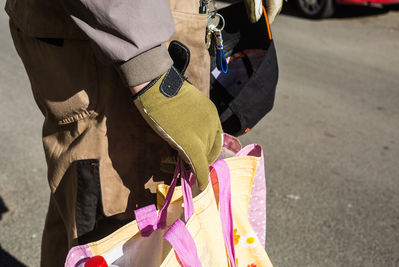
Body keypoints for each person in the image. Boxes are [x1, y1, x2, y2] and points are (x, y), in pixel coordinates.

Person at [6, 0, 282, 266]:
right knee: (122, 221)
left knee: (91, 206)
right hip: (122, 39)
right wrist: (150, 71)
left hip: (137, 32)